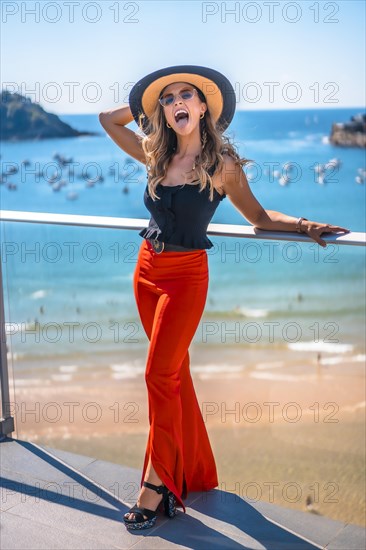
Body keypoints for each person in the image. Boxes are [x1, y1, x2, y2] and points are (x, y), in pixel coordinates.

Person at [99, 65, 350, 530]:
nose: (177, 102)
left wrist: (305, 225)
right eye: (169, 97)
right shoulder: (155, 153)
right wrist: (144, 102)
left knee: (158, 375)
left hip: (187, 277)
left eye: (186, 95)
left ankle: (156, 486)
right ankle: (190, 475)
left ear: (203, 107)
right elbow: (106, 120)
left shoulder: (221, 166)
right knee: (175, 378)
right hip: (146, 271)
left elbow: (258, 215)